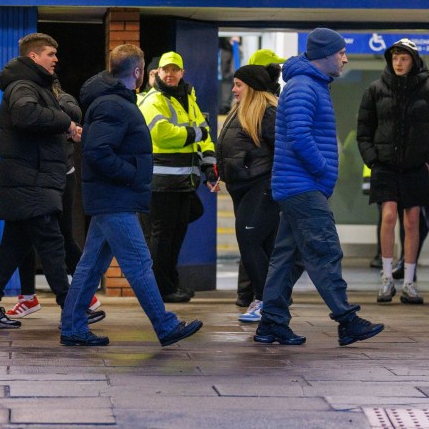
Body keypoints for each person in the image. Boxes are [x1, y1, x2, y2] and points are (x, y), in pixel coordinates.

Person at [60, 44, 202, 347]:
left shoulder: (116, 101)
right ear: (138, 72)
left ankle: (72, 327)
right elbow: (98, 152)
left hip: (112, 197)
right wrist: (134, 173)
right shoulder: (113, 104)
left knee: (91, 266)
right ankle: (165, 326)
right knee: (139, 262)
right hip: (115, 198)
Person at [254, 28, 385, 347]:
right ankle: (347, 320)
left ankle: (271, 322)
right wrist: (322, 170)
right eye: (341, 52)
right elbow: (299, 136)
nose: (345, 57)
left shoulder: (309, 85)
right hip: (303, 186)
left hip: (298, 185)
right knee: (325, 249)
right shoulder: (302, 87)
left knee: (288, 257)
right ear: (325, 54)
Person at [0, 33, 105, 329]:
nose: (56, 59)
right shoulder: (23, 86)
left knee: (12, 247)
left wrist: (64, 125)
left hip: (31, 181)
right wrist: (65, 123)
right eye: (50, 54)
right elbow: (25, 113)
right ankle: (72, 308)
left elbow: (45, 116)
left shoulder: (38, 86)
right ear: (34, 57)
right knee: (53, 244)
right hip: (30, 182)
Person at [356, 38, 429, 305]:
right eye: (394, 58)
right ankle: (386, 279)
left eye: (403, 58)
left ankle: (409, 282)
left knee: (412, 221)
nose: (398, 62)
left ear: (414, 61)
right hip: (384, 165)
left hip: (416, 167)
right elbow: (364, 130)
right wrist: (373, 159)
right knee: (389, 215)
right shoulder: (375, 89)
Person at [6, 84, 101, 319]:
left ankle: (84, 294)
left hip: (59, 178)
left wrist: (51, 115)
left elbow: (73, 113)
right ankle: (28, 297)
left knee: (61, 237)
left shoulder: (60, 97)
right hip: (37, 177)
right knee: (27, 235)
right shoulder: (27, 100)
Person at [138, 51, 218, 303]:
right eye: (165, 70)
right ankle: (161, 289)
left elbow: (206, 138)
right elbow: (162, 133)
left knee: (174, 237)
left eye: (175, 70)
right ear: (158, 73)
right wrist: (196, 132)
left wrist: (209, 168)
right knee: (162, 239)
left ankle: (170, 284)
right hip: (161, 184)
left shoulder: (189, 99)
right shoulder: (153, 100)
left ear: (182, 73)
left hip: (185, 182)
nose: (170, 74)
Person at [216, 64, 282, 323]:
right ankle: (267, 300)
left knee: (249, 240)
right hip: (241, 187)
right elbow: (230, 148)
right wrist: (219, 172)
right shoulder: (240, 110)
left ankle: (267, 301)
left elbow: (282, 151)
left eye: (238, 85)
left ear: (252, 88)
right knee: (259, 245)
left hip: (261, 186)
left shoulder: (268, 112)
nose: (233, 90)